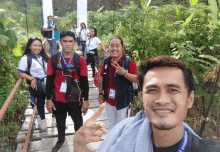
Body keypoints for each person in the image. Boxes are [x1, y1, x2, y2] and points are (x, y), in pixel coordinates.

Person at [73, 56, 220, 152]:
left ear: (190, 99)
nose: (162, 100)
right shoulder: (124, 134)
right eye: (153, 90)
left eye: (173, 90)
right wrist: (79, 144)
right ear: (142, 97)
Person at [46, 31, 89, 152]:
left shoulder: (80, 61)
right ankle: (61, 139)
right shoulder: (53, 59)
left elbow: (85, 82)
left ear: (75, 43)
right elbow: (49, 80)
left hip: (75, 98)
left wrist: (86, 100)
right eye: (65, 41)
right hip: (58, 98)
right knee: (60, 121)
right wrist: (48, 99)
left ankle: (80, 142)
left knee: (78, 121)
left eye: (70, 41)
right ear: (60, 42)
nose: (68, 44)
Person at [98, 36, 138, 130]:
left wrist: (124, 73)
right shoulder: (107, 61)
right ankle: (113, 142)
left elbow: (137, 79)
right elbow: (101, 77)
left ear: (122, 48)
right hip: (109, 99)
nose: (114, 48)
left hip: (123, 100)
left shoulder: (128, 62)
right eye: (112, 45)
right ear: (109, 47)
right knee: (111, 123)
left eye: (117, 46)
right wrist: (100, 94)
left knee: (122, 125)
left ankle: (122, 143)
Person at [18, 37, 48, 130]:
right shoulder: (26, 58)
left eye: (39, 46)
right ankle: (42, 120)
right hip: (38, 85)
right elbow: (20, 73)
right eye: (35, 45)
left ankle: (57, 118)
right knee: (40, 102)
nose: (37, 48)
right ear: (30, 46)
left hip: (48, 82)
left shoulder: (44, 56)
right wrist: (31, 78)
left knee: (53, 100)